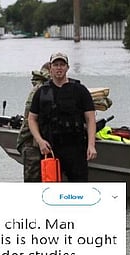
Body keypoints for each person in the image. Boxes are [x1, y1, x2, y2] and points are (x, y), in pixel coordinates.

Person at [28, 52, 97, 181]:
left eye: (62, 65)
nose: (59, 68)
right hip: (51, 148)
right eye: (56, 65)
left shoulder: (80, 90)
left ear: (67, 67)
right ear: (50, 68)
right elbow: (32, 119)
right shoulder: (42, 92)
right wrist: (40, 141)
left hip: (76, 147)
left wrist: (91, 145)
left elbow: (90, 119)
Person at [16, 62, 50, 182]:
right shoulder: (40, 90)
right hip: (31, 143)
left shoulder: (43, 88)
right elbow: (32, 120)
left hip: (38, 142)